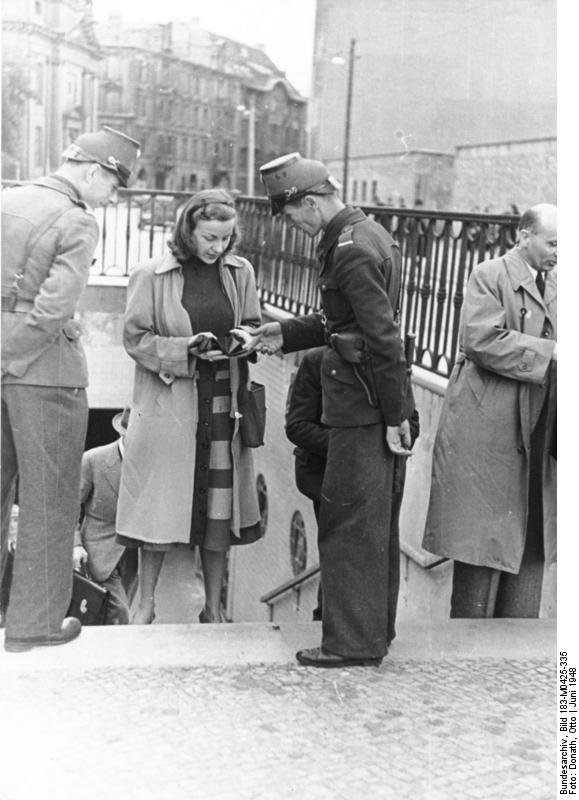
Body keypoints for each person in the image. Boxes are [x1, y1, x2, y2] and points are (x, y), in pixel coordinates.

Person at [252, 152, 416, 668]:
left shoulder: (348, 250)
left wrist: (397, 416)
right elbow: (339, 320)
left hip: (360, 405)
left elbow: (381, 336)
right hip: (371, 401)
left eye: (292, 214)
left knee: (347, 524)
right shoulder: (368, 233)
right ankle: (374, 632)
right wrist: (283, 333)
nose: (292, 225)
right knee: (373, 525)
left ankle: (349, 643)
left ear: (313, 200)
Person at [1, 126, 140, 653]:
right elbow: (54, 308)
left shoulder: (8, 198)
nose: (112, 198)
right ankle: (33, 625)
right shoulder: (77, 221)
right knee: (50, 500)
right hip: (44, 374)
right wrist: (13, 357)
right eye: (114, 185)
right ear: (94, 170)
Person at [115, 188, 263, 625]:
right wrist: (187, 349)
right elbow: (135, 339)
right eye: (209, 238)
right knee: (158, 509)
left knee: (219, 509)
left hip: (222, 399)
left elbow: (253, 324)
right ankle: (146, 606)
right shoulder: (151, 275)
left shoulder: (241, 272)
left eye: (226, 238)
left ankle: (213, 609)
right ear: (188, 232)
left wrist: (243, 339)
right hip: (169, 404)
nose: (218, 247)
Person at [422, 203, 557, 618]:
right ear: (523, 237)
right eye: (553, 243)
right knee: (482, 554)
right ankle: (469, 666)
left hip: (537, 429)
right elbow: (480, 340)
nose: (561, 252)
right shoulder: (489, 274)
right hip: (492, 433)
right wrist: (552, 354)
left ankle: (510, 662)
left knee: (531, 545)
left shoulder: (555, 284)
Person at [73, 407, 133, 625]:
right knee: (120, 614)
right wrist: (75, 545)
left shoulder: (152, 465)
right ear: (123, 433)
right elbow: (70, 505)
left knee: (130, 614)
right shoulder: (93, 459)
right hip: (99, 553)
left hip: (135, 556)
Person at [285, 347, 329, 621]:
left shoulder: (388, 359)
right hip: (326, 475)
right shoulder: (316, 362)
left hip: (372, 475)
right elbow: (297, 426)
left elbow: (412, 420)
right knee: (336, 550)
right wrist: (352, 446)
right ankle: (326, 620)